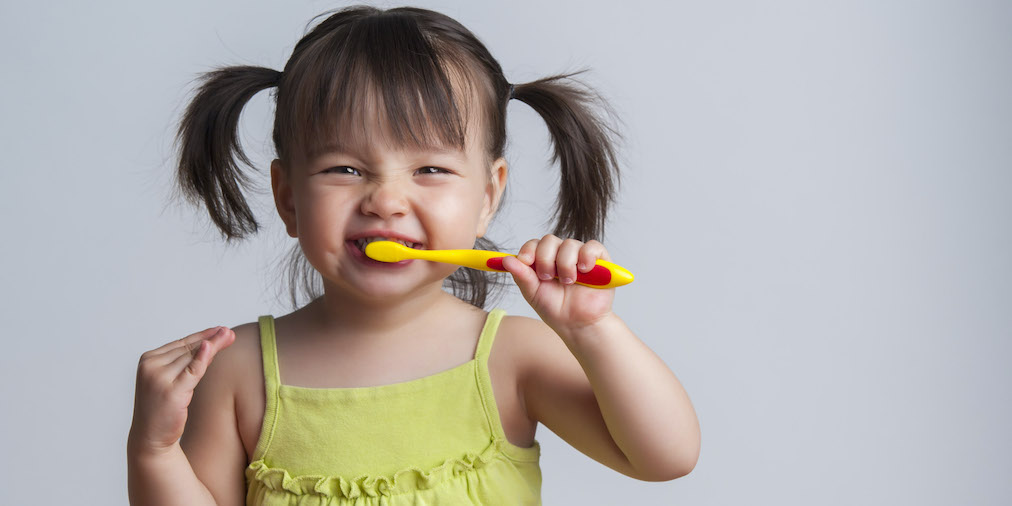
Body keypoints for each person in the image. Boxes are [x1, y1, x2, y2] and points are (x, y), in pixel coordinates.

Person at [127, 5, 700, 505]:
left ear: (487, 196)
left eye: (430, 169)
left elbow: (665, 457)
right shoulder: (238, 372)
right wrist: (154, 451)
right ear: (288, 198)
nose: (386, 201)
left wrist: (594, 330)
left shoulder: (511, 358)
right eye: (344, 169)